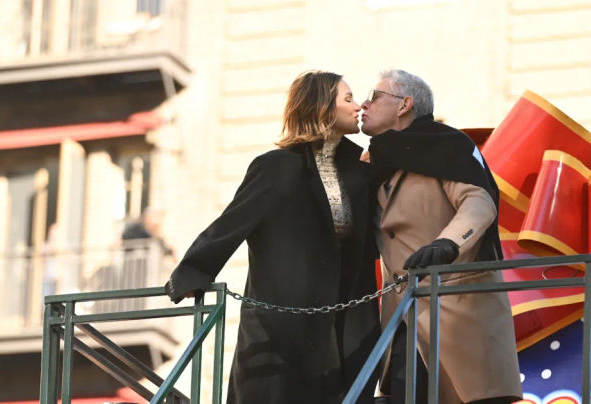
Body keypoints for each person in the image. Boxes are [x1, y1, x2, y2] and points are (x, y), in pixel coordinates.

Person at [164, 71, 381, 403]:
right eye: (348, 99)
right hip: (283, 328)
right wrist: (194, 272)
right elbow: (232, 223)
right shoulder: (276, 167)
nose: (358, 106)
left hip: (347, 324)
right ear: (321, 107)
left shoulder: (361, 172)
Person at [361, 69, 522, 404]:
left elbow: (478, 202)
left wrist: (448, 243)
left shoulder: (447, 146)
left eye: (374, 96)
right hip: (403, 316)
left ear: (404, 104)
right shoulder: (372, 162)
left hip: (457, 313)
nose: (364, 104)